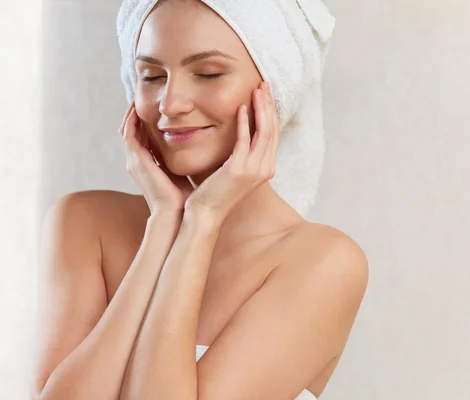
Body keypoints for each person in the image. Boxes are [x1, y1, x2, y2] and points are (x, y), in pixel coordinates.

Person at [31, 0, 369, 399]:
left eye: (208, 73)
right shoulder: (84, 224)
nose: (171, 104)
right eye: (152, 76)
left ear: (273, 88)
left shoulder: (323, 263)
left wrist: (201, 221)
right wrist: (163, 227)